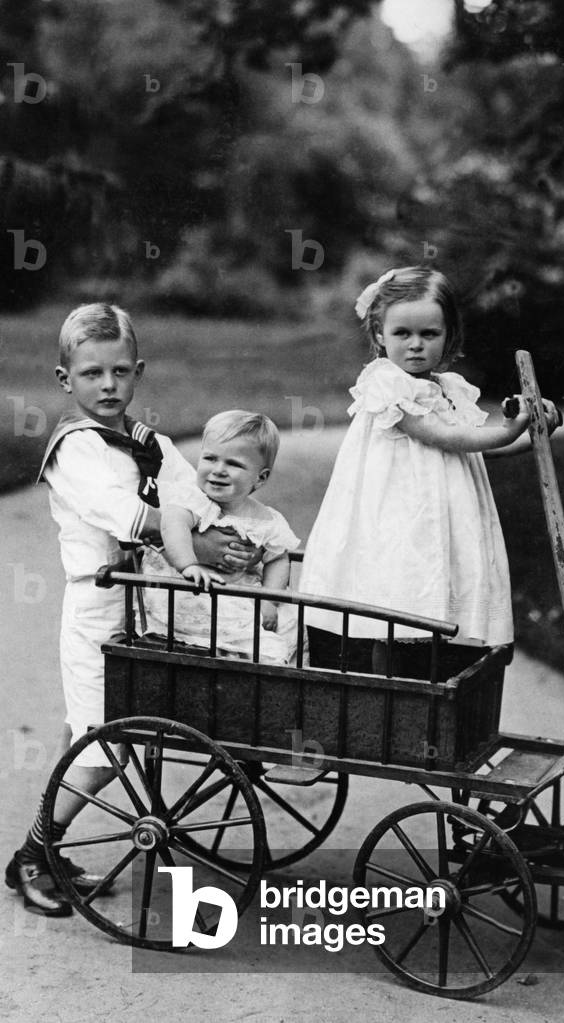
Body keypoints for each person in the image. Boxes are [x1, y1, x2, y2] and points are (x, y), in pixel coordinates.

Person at [5, 303, 261, 916]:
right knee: (104, 747)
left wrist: (233, 533)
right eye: (92, 373)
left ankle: (47, 842)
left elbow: (192, 499)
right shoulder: (75, 450)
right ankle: (32, 856)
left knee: (95, 734)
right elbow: (127, 516)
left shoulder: (152, 444)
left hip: (151, 610)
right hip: (98, 612)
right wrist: (195, 544)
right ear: (66, 379)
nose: (109, 386)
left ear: (138, 372)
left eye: (120, 372)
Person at [299, 265, 559, 679]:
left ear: (449, 336)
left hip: (444, 517)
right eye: (403, 333)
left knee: (437, 591)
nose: (416, 345)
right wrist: (509, 427)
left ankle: (426, 687)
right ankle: (385, 692)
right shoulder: (386, 383)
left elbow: (478, 449)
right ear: (380, 335)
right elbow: (444, 437)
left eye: (429, 334)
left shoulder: (450, 388)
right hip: (396, 514)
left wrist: (537, 431)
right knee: (396, 594)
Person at [140, 410, 301, 664]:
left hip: (236, 593)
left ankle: (266, 678)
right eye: (210, 459)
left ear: (261, 477)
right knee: (248, 634)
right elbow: (173, 524)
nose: (218, 470)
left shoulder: (267, 519)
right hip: (191, 593)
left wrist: (269, 601)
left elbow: (278, 558)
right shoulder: (195, 500)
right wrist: (188, 564)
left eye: (234, 464)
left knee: (291, 627)